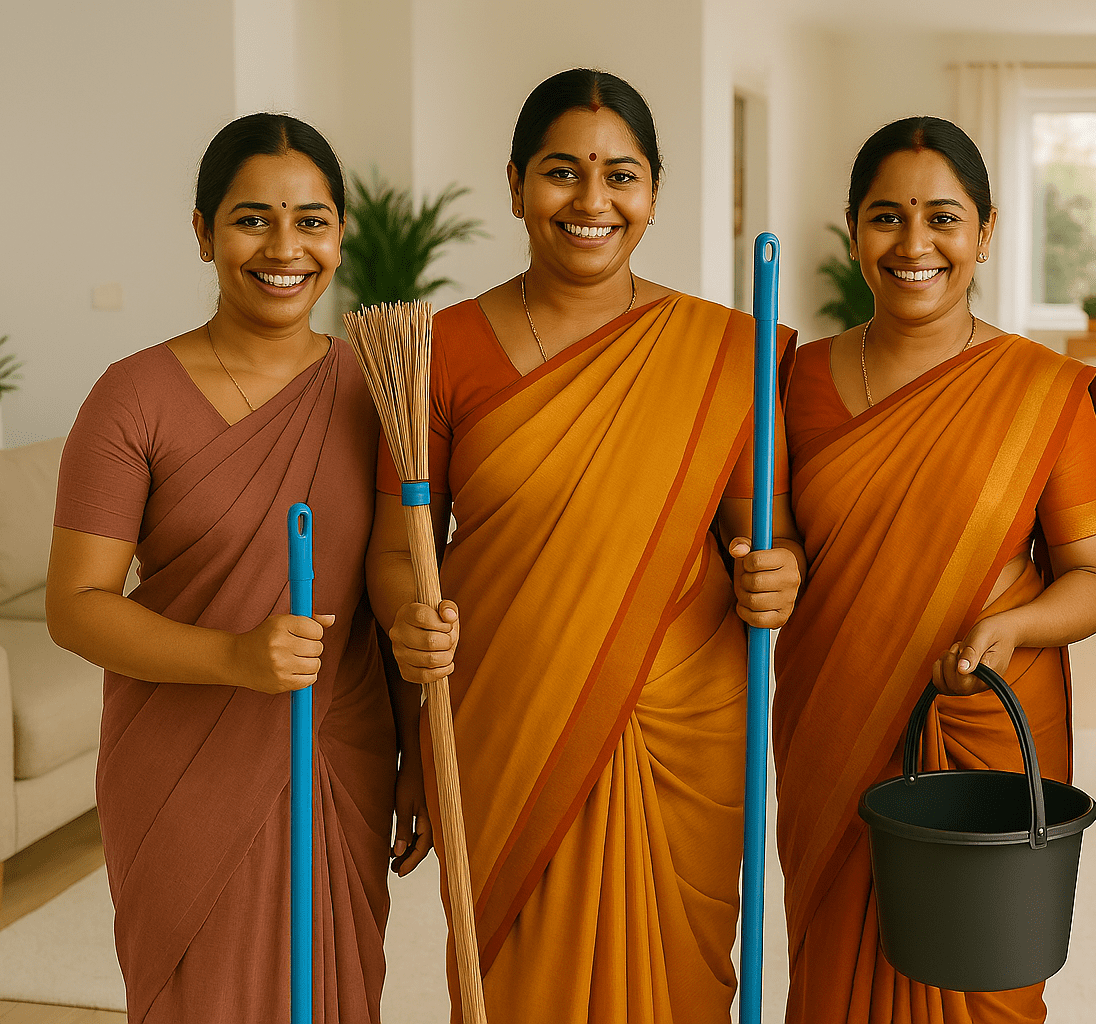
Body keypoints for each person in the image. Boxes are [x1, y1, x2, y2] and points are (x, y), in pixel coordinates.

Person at [368, 68, 804, 1024]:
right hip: (507, 706)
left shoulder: (728, 349)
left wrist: (781, 570)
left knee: (679, 978)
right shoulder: (440, 348)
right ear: (517, 182)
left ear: (653, 191)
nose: (592, 201)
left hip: (678, 712)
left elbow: (758, 527)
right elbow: (399, 544)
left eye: (622, 175)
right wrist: (409, 615)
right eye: (564, 172)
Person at [46, 113, 419, 1023]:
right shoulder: (132, 395)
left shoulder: (383, 389)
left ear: (341, 233)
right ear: (204, 231)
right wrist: (235, 660)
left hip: (340, 745)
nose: (285, 247)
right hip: (182, 757)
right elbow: (77, 605)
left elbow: (391, 584)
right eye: (253, 219)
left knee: (331, 992)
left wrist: (416, 758)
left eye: (312, 220)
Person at [772, 116, 1096, 1024]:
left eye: (943, 217)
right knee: (837, 962)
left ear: (986, 231)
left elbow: (1095, 578)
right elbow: (795, 545)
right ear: (853, 232)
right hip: (836, 716)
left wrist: (1017, 626)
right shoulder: (795, 381)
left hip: (986, 720)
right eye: (887, 217)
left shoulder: (1040, 389)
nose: (915, 244)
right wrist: (775, 568)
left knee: (985, 979)